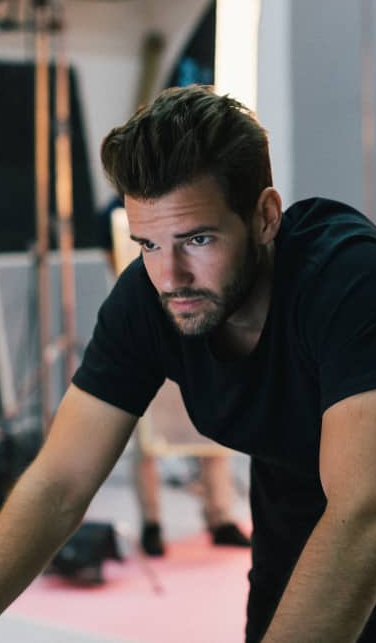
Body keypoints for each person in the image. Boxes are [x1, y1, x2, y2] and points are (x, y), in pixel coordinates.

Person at [0, 86, 376, 642]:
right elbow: (58, 484)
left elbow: (367, 517)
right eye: (147, 244)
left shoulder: (353, 279)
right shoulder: (153, 295)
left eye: (197, 238)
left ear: (266, 216)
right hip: (291, 589)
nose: (170, 274)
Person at [100, 196, 250, 556]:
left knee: (214, 428)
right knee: (148, 438)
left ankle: (220, 516)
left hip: (199, 327)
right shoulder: (115, 214)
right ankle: (152, 523)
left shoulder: (191, 197)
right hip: (152, 330)